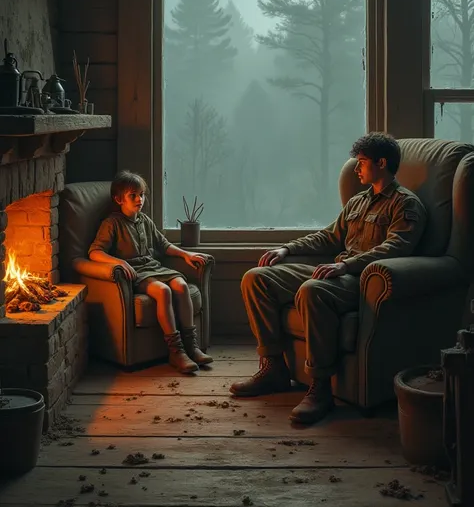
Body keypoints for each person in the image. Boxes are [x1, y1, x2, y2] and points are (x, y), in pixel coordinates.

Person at [229, 133, 427, 424]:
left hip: (361, 280)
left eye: (361, 163)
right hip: (336, 271)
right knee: (256, 278)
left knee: (312, 290)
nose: (356, 169)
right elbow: (328, 237)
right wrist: (286, 248)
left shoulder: (405, 204)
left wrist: (347, 266)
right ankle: (273, 367)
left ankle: (320, 387)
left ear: (381, 163)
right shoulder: (358, 201)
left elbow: (397, 247)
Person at [88, 170, 213, 374]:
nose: (139, 199)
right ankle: (176, 351)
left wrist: (185, 255)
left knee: (180, 286)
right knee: (163, 291)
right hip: (136, 272)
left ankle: (192, 346)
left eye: (142, 194)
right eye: (133, 195)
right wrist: (118, 262)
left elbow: (163, 244)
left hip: (154, 266)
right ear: (119, 199)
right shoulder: (112, 223)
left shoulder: (144, 220)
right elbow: (94, 252)